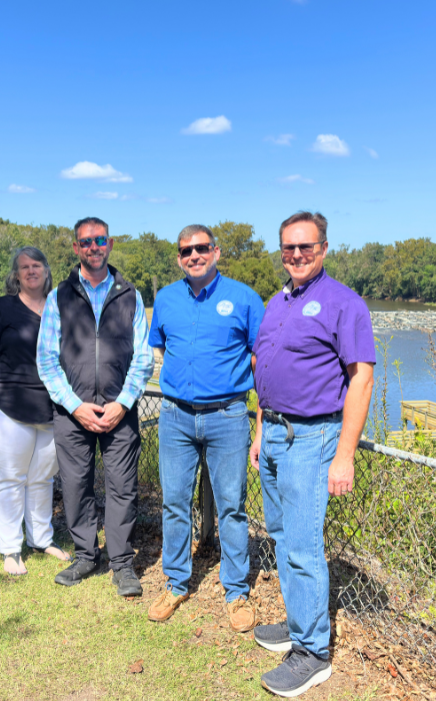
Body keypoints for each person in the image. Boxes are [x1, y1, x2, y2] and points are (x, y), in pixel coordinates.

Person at [249, 211, 375, 697]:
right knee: (282, 534)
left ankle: (313, 652)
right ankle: (299, 623)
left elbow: (361, 379)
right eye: (288, 248)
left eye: (305, 246)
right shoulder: (278, 300)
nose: (296, 255)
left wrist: (344, 455)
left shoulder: (344, 303)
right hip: (277, 433)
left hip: (314, 438)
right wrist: (261, 430)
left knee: (302, 544)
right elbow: (267, 371)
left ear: (323, 248)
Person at [145, 224, 265, 631]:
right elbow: (159, 345)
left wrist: (259, 415)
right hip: (176, 416)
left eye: (200, 249)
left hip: (228, 417)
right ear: (179, 257)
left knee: (232, 506)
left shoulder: (244, 298)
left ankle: (236, 591)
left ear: (216, 251)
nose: (193, 256)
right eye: (185, 251)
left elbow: (260, 357)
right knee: (175, 502)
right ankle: (176, 583)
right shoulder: (166, 298)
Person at [36, 216, 154, 595]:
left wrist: (123, 402)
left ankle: (121, 563)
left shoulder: (130, 295)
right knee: (75, 484)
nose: (93, 247)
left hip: (120, 409)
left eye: (99, 240)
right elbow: (46, 359)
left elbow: (143, 357)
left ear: (110, 243)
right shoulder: (59, 297)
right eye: (85, 242)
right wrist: (75, 405)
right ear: (76, 248)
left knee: (123, 487)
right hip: (73, 412)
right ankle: (86, 555)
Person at [0, 247, 71, 575]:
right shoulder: (3, 309)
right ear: (15, 275)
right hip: (8, 408)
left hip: (54, 409)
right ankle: (11, 549)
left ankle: (41, 539)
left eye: (37, 265)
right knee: (10, 478)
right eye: (24, 267)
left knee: (43, 477)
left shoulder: (61, 309)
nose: (31, 271)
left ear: (46, 270)